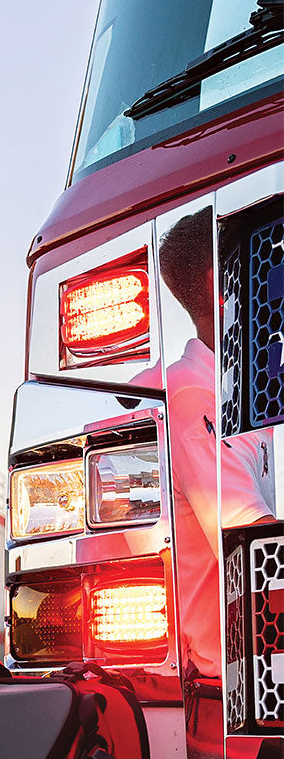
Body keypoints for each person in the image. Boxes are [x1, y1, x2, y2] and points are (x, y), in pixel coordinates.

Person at [156, 208, 274, 679]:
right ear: (218, 284)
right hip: (238, 687)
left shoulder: (242, 392)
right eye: (266, 257)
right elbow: (256, 540)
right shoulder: (191, 397)